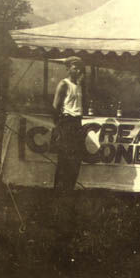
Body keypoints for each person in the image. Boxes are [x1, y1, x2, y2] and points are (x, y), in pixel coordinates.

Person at [51, 56, 88, 195]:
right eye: (74, 67)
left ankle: (69, 190)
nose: (77, 70)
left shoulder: (79, 85)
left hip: (77, 123)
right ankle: (58, 192)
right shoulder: (63, 84)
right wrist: (59, 126)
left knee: (75, 159)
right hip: (66, 123)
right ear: (68, 69)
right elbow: (55, 107)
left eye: (79, 67)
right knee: (64, 159)